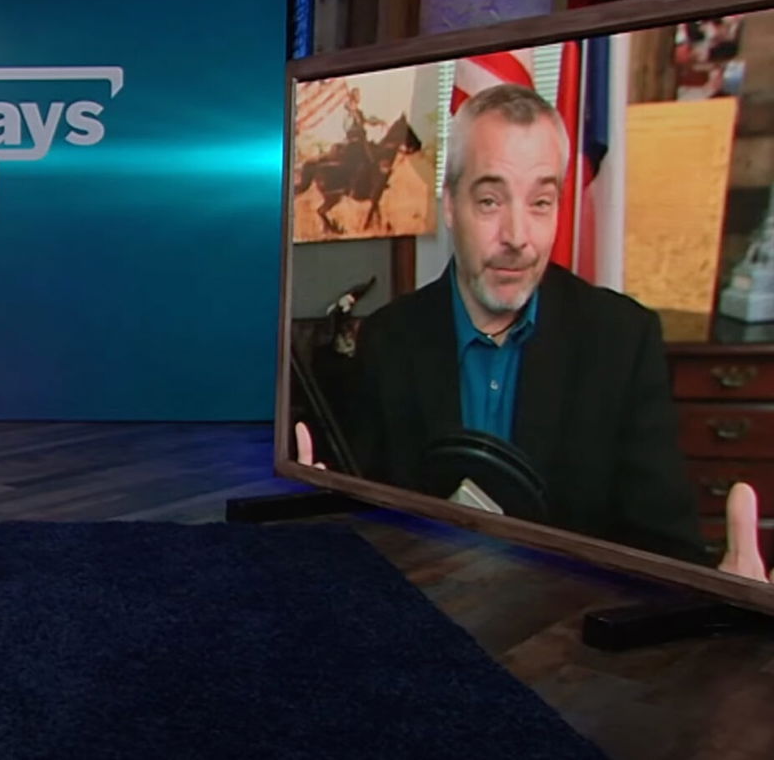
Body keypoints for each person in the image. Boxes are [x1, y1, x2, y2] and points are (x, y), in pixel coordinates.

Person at [299, 83, 706, 563]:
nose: (517, 237)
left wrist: (725, 592)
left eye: (540, 203)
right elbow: (367, 526)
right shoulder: (387, 339)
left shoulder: (623, 341)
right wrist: (320, 523)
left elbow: (668, 553)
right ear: (451, 205)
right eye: (490, 201)